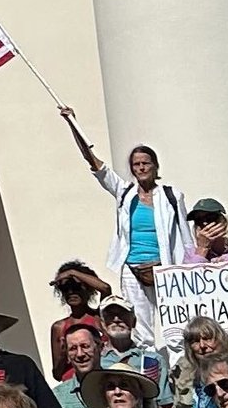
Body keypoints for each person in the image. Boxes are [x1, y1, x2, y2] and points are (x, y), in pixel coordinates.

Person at [60, 118, 192, 335]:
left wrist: (189, 265)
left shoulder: (170, 195)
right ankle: (147, 368)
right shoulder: (125, 193)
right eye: (136, 164)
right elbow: (94, 163)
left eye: (146, 163)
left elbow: (186, 238)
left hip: (164, 268)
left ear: (155, 166)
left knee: (175, 327)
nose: (141, 168)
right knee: (140, 329)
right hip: (133, 269)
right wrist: (72, 123)